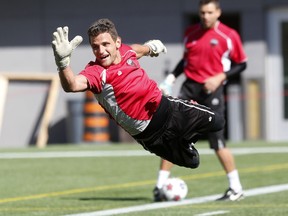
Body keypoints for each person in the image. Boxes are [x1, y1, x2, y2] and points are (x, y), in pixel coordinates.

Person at [52, 18, 225, 173]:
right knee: (193, 162)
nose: (101, 51)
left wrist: (151, 47)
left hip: (170, 110)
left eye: (105, 44)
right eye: (95, 47)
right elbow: (72, 85)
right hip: (150, 137)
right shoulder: (96, 72)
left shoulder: (127, 51)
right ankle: (187, 138)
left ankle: (187, 131)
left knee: (218, 122)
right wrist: (62, 63)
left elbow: (136, 50)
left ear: (117, 43)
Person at [154, 0, 247, 202]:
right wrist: (171, 78)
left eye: (209, 12)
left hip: (211, 91)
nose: (205, 16)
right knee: (171, 135)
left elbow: (242, 64)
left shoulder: (229, 36)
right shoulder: (190, 32)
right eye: (202, 12)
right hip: (189, 89)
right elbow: (186, 60)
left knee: (217, 141)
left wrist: (219, 77)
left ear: (218, 13)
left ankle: (236, 188)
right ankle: (159, 187)